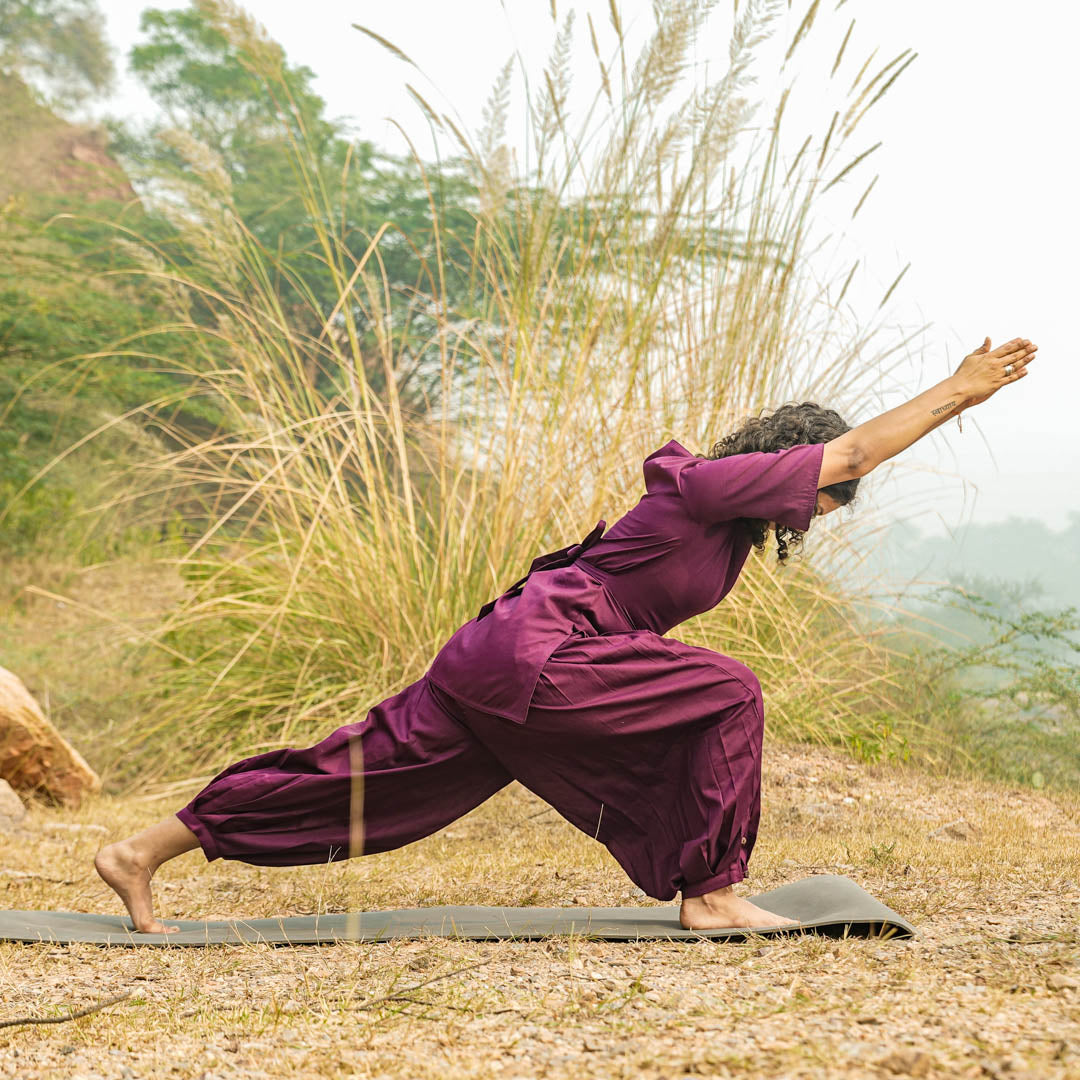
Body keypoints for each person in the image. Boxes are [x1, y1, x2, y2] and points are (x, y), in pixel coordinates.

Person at [95, 335, 1037, 934]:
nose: (826, 509)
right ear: (785, 465)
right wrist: (958, 390)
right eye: (830, 496)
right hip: (541, 654)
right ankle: (710, 893)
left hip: (502, 660)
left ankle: (139, 853)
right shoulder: (712, 484)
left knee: (362, 786)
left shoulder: (721, 524)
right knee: (730, 691)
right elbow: (856, 447)